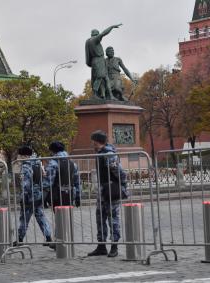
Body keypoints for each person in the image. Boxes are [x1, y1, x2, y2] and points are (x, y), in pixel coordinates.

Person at [88, 130, 128, 258]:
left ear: (97, 141)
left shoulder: (108, 154)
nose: (92, 144)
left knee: (113, 219)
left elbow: (120, 172)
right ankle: (101, 246)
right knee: (100, 218)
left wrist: (122, 186)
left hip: (111, 190)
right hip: (102, 191)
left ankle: (114, 246)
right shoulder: (100, 153)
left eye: (93, 141)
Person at [15, 145, 53, 248]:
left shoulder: (26, 166)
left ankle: (19, 239)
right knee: (41, 217)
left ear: (24, 156)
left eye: (20, 155)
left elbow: (25, 184)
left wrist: (23, 197)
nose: (19, 157)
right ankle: (49, 237)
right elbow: (44, 176)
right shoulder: (38, 163)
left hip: (29, 196)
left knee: (24, 218)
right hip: (38, 195)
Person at [85, 24, 122, 100]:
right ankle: (95, 94)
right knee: (99, 77)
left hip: (96, 61)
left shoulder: (88, 42)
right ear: (96, 35)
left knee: (106, 78)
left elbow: (88, 56)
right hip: (98, 60)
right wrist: (112, 27)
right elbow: (103, 33)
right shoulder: (94, 40)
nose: (100, 38)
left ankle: (110, 95)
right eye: (98, 36)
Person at [43, 141, 81, 210]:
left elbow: (48, 182)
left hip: (57, 195)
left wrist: (43, 197)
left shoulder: (53, 163)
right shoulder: (72, 163)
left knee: (59, 216)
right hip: (70, 194)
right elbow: (77, 181)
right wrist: (78, 196)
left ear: (53, 151)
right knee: (68, 215)